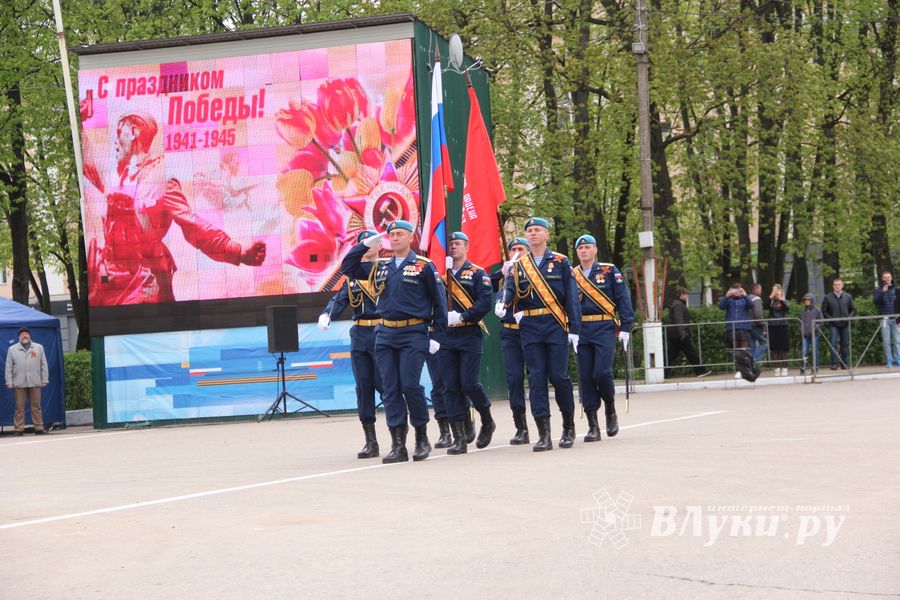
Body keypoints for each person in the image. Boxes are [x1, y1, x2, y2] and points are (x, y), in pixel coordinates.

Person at [86, 113, 266, 305]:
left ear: (133, 132)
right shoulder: (118, 178)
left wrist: (238, 252)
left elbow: (194, 227)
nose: (115, 142)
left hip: (141, 285)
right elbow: (87, 162)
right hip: (109, 283)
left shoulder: (161, 180)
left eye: (119, 133)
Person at [340, 220, 447, 463]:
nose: (395, 238)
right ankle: (398, 445)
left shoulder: (423, 266)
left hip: (413, 333)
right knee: (390, 390)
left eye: (400, 234)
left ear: (410, 238)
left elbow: (439, 302)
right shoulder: (380, 266)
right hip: (385, 334)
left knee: (410, 385)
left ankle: (421, 437)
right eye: (392, 234)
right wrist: (364, 245)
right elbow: (348, 267)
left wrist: (436, 336)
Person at [499, 217, 581, 451]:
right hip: (530, 325)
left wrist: (575, 329)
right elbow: (511, 290)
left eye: (537, 230)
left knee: (559, 376)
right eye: (530, 230)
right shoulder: (519, 265)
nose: (533, 233)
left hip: (555, 324)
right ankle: (543, 433)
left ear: (547, 234)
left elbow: (571, 297)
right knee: (536, 378)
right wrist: (504, 303)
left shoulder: (561, 262)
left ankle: (568, 426)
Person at [318, 230, 384, 459]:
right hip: (360, 334)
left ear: (379, 246)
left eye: (371, 242)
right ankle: (371, 441)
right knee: (363, 386)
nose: (367, 247)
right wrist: (327, 314)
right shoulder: (352, 277)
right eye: (363, 244)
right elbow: (339, 300)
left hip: (383, 332)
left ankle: (399, 436)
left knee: (386, 385)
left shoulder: (386, 270)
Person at [572, 234, 633, 442]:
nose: (584, 251)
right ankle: (593, 425)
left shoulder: (608, 270)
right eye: (580, 248)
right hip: (581, 328)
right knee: (585, 376)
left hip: (604, 326)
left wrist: (626, 326)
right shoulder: (572, 274)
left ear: (595, 250)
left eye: (587, 247)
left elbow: (622, 298)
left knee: (601, 372)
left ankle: (610, 407)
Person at [438, 232, 494, 455]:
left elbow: (485, 302)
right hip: (446, 336)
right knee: (450, 386)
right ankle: (459, 436)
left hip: (469, 333)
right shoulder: (441, 275)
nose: (453, 247)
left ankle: (487, 419)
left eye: (458, 243)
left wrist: (463, 316)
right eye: (451, 244)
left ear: (466, 247)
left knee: (469, 384)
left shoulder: (478, 273)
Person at [492, 237, 532, 445]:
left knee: (536, 377)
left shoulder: (535, 271)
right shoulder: (505, 273)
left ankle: (543, 423)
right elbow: (485, 283)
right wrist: (502, 273)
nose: (517, 251)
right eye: (513, 248)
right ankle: (521, 427)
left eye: (521, 248)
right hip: (510, 332)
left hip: (531, 331)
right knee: (514, 379)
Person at [5, 327, 49, 436]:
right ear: (19, 337)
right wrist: (9, 381)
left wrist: (45, 379)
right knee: (19, 407)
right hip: (19, 382)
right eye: (22, 334)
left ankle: (39, 428)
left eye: (26, 334)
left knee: (36, 406)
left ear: (30, 336)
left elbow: (44, 364)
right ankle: (18, 429)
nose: (24, 335)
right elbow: (8, 366)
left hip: (35, 381)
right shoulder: (12, 349)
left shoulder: (39, 348)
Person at [666, 287, 711, 378]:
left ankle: (663, 373)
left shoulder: (677, 304)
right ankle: (700, 371)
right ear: (681, 294)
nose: (687, 296)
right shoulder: (678, 305)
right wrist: (682, 334)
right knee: (691, 353)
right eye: (686, 294)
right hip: (680, 334)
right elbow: (679, 320)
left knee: (671, 355)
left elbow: (678, 320)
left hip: (676, 334)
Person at [718, 281, 754, 378]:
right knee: (736, 351)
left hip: (744, 327)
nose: (737, 292)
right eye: (735, 290)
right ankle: (739, 370)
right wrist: (727, 296)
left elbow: (751, 305)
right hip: (732, 328)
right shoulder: (729, 300)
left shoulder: (745, 299)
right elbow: (721, 306)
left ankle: (746, 370)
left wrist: (745, 295)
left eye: (739, 290)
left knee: (744, 350)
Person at [821, 278, 856, 370]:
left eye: (838, 284)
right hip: (833, 325)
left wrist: (849, 318)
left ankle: (845, 364)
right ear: (833, 286)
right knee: (833, 344)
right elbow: (824, 311)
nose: (837, 286)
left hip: (845, 324)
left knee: (845, 344)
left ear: (842, 286)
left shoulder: (848, 296)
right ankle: (834, 364)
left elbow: (853, 309)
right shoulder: (827, 297)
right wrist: (831, 319)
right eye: (835, 285)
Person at [873, 271, 899, 368]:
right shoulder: (878, 289)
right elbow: (876, 302)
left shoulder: (897, 289)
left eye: (888, 277)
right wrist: (882, 292)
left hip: (896, 318)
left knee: (896, 340)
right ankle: (889, 360)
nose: (887, 279)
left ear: (891, 278)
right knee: (886, 340)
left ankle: (897, 359)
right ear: (882, 279)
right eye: (885, 277)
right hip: (884, 319)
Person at [767, 284, 791, 376]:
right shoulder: (771, 302)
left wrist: (781, 299)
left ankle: (784, 368)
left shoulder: (784, 301)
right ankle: (776, 368)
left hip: (782, 326)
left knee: (783, 348)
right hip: (772, 326)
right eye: (774, 291)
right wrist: (771, 296)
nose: (776, 293)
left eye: (777, 291)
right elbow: (765, 306)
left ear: (781, 292)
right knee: (774, 349)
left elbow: (787, 308)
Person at [799, 293, 823, 374]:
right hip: (805, 335)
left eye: (808, 300)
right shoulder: (802, 311)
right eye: (805, 300)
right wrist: (801, 330)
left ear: (812, 301)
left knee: (814, 351)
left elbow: (821, 322)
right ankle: (802, 367)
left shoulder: (817, 311)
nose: (807, 301)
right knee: (804, 351)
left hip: (814, 335)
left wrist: (815, 329)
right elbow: (799, 322)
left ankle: (815, 367)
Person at [747, 283, 768, 363]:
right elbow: (758, 313)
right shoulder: (757, 299)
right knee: (764, 343)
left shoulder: (748, 298)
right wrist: (762, 323)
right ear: (756, 289)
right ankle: (754, 360)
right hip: (756, 325)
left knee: (752, 346)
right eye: (760, 289)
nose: (761, 291)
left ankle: (750, 365)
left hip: (748, 325)